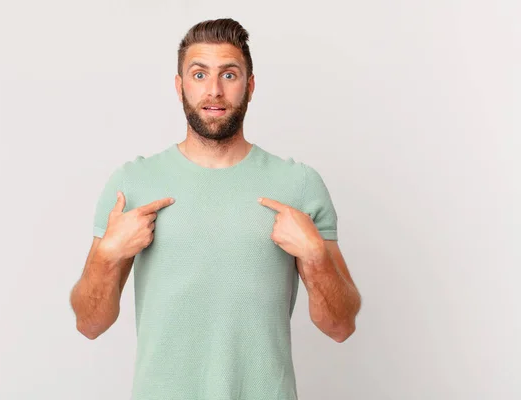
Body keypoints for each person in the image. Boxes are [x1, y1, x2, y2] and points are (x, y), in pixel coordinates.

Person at [70, 17, 361, 400]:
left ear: (250, 86)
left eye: (229, 75)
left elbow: (341, 326)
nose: (213, 90)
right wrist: (107, 255)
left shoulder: (299, 185)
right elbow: (89, 324)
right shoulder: (133, 184)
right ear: (179, 86)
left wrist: (315, 255)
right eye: (199, 74)